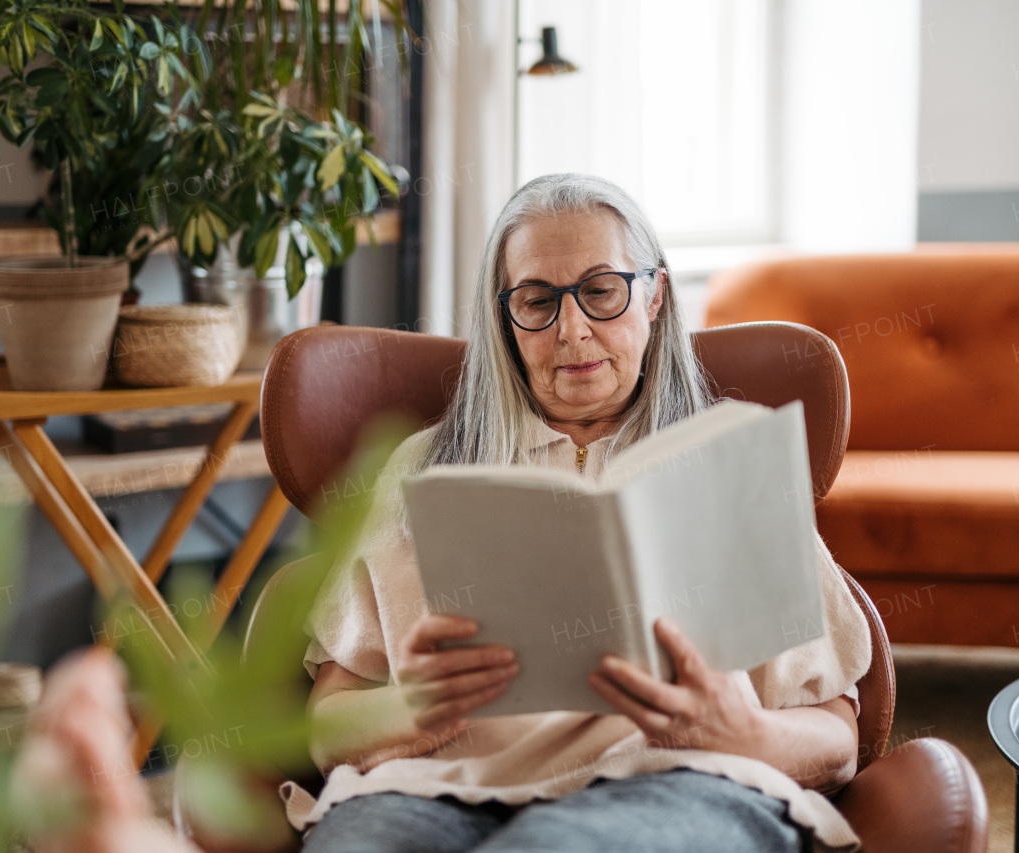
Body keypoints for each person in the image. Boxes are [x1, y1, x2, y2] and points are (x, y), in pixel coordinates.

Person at [292, 173, 872, 853]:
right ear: (504, 318)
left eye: (601, 291)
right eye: (537, 301)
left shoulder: (731, 465)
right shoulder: (422, 469)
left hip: (680, 781)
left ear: (654, 295)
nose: (572, 330)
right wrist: (408, 708)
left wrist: (745, 734)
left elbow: (839, 738)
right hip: (427, 785)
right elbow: (324, 728)